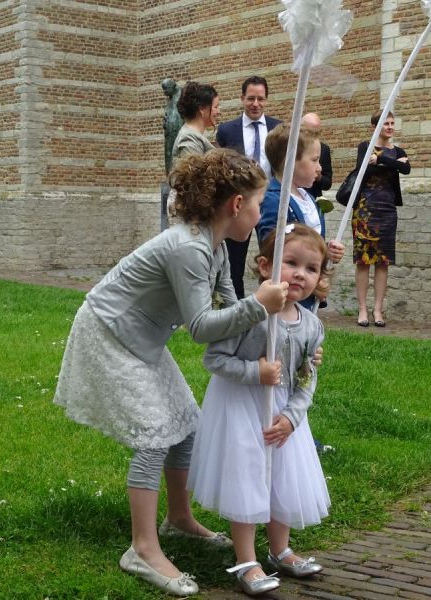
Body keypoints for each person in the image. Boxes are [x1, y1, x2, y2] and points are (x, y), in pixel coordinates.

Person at [52, 149, 289, 597]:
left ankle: (179, 519)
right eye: (257, 204)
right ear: (236, 205)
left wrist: (268, 311)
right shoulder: (189, 248)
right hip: (109, 331)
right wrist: (259, 305)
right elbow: (202, 327)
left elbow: (230, 307)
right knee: (154, 432)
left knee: (187, 425)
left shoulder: (215, 246)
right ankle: (141, 548)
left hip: (142, 338)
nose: (259, 215)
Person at [187, 223, 332, 595]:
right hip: (242, 405)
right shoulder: (248, 314)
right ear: (265, 266)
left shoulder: (312, 326)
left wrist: (292, 417)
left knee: (284, 476)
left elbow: (306, 377)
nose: (300, 274)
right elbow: (215, 360)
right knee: (248, 477)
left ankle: (280, 549)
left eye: (311, 268)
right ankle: (246, 558)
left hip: (281, 413)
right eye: (291, 263)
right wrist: (256, 371)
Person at [256, 123, 345, 311]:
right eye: (314, 160)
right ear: (290, 161)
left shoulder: (308, 197)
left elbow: (309, 242)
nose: (320, 167)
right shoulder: (275, 200)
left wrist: (326, 252)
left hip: (308, 291)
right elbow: (273, 248)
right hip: (287, 296)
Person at [216, 76, 282, 299]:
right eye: (251, 98)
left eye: (260, 99)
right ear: (242, 98)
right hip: (239, 203)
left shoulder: (277, 128)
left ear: (266, 100)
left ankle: (270, 301)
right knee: (235, 259)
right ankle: (235, 306)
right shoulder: (227, 130)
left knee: (273, 255)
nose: (256, 104)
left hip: (270, 202)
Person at [351, 110, 410, 328]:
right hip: (366, 208)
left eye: (392, 123)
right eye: (386, 123)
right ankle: (363, 309)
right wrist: (388, 162)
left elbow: (406, 168)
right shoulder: (365, 147)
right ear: (375, 125)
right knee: (364, 260)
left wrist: (382, 159)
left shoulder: (398, 150)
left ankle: (377, 309)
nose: (390, 127)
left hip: (388, 209)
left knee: (383, 261)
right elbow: (363, 169)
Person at [171, 81, 220, 167]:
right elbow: (194, 178)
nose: (218, 112)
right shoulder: (189, 138)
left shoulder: (192, 135)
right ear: (202, 110)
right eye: (215, 107)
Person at [301, 113, 333, 200]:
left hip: (313, 198)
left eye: (317, 133)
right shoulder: (289, 146)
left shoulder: (324, 149)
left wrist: (319, 177)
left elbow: (327, 183)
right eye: (310, 132)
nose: (314, 136)